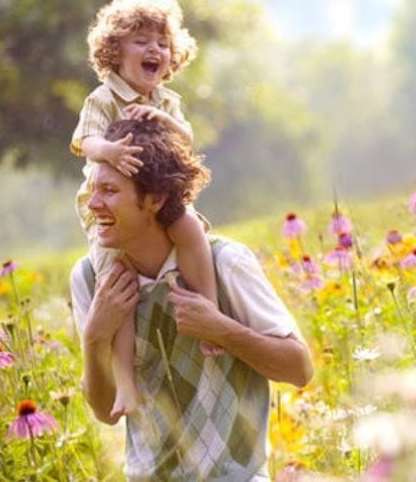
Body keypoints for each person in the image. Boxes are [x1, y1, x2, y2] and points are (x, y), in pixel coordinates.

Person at [69, 119, 313, 480]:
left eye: (108, 190)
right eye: (93, 190)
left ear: (155, 199)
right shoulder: (90, 280)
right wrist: (95, 338)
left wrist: (220, 329)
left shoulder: (224, 262)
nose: (93, 204)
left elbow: (299, 369)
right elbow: (105, 411)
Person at [70, 0, 223, 420]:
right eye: (141, 41)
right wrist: (111, 153)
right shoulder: (103, 98)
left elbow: (188, 141)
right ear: (115, 52)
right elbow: (86, 140)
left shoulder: (168, 102)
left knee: (192, 230)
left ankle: (209, 311)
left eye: (161, 43)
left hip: (162, 200)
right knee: (116, 286)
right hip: (109, 212)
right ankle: (126, 384)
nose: (154, 49)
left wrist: (169, 123)